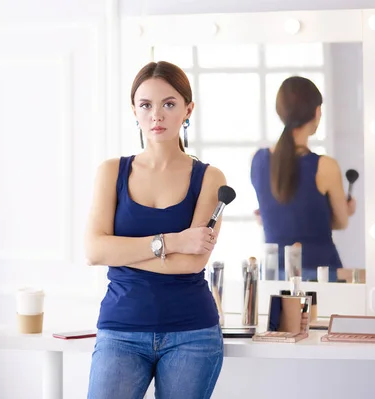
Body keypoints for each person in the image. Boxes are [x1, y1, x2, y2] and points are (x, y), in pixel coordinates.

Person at [84, 61, 227, 399]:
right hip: (120, 330)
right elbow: (93, 251)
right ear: (134, 110)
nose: (156, 115)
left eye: (169, 104)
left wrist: (119, 252)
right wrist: (172, 242)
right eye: (146, 105)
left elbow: (192, 263)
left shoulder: (210, 178)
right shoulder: (110, 172)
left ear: (188, 109)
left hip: (192, 333)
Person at [250, 76, 356, 282]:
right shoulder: (325, 166)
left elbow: (277, 217)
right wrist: (346, 209)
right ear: (317, 112)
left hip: (274, 277)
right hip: (322, 276)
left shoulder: (258, 160)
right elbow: (340, 223)